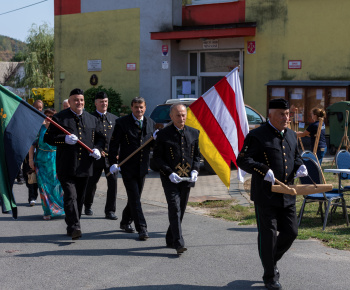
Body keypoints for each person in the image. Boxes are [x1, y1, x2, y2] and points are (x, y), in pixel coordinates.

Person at [236, 98, 307, 290]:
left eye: (287, 114)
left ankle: (270, 259)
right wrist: (261, 169)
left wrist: (301, 166)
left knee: (291, 232)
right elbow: (242, 160)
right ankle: (270, 276)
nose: (286, 118)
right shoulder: (258, 135)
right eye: (281, 114)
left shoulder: (291, 135)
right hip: (265, 195)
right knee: (268, 235)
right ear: (270, 115)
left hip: (288, 193)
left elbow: (297, 156)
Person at [44, 88, 104, 240]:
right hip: (66, 165)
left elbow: (100, 138)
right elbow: (48, 138)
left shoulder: (92, 119)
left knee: (80, 198)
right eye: (76, 100)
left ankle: (72, 224)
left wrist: (98, 149)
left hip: (85, 166)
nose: (79, 102)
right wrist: (63, 139)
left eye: (81, 100)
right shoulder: (59, 118)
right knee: (70, 196)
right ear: (70, 102)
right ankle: (75, 226)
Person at [153, 103, 200, 255]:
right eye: (178, 115)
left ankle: (170, 237)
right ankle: (179, 242)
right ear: (171, 116)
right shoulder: (163, 134)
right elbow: (157, 159)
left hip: (187, 179)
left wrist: (195, 170)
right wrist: (168, 172)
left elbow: (197, 156)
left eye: (183, 115)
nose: (181, 118)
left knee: (182, 208)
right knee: (174, 208)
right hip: (170, 178)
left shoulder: (194, 133)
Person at [109, 97, 157, 241]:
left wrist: (156, 139)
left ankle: (125, 222)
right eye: (136, 107)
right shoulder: (122, 123)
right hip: (127, 166)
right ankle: (142, 228)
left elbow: (153, 147)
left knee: (134, 198)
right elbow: (113, 144)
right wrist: (112, 162)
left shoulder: (150, 123)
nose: (139, 110)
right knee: (135, 198)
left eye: (141, 107)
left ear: (145, 107)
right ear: (131, 108)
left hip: (143, 167)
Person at [84, 92, 118, 220]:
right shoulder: (89, 118)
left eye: (105, 101)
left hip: (111, 158)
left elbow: (117, 139)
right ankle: (87, 205)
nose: (104, 104)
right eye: (101, 101)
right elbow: (87, 137)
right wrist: (94, 149)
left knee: (113, 183)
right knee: (92, 182)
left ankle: (110, 210)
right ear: (96, 103)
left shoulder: (114, 119)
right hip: (96, 157)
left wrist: (118, 153)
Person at [28, 108, 65, 220]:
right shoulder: (39, 129)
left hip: (55, 160)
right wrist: (30, 159)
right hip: (41, 160)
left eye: (52, 116)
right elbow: (32, 144)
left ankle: (59, 209)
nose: (49, 118)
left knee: (57, 186)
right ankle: (47, 211)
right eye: (47, 115)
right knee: (43, 187)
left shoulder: (59, 129)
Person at [23, 99, 44, 206]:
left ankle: (35, 197)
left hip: (41, 153)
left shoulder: (44, 121)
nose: (39, 109)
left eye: (40, 108)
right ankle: (32, 196)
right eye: (36, 107)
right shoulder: (28, 120)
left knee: (39, 175)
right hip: (29, 151)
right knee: (29, 175)